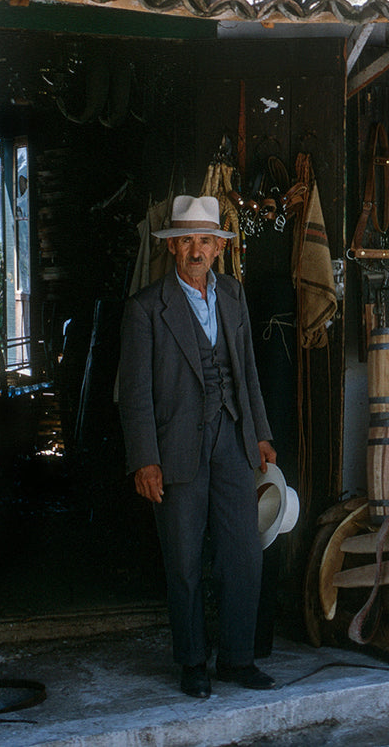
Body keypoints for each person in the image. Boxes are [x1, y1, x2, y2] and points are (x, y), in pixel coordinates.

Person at [119, 195, 278, 699]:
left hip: (232, 436)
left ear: (217, 248)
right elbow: (135, 391)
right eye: (185, 240)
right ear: (171, 248)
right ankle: (192, 662)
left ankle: (235, 658)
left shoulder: (232, 295)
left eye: (204, 240)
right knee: (184, 559)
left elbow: (247, 371)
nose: (195, 249)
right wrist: (145, 458)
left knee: (243, 551)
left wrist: (260, 433)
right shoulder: (146, 307)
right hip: (176, 446)